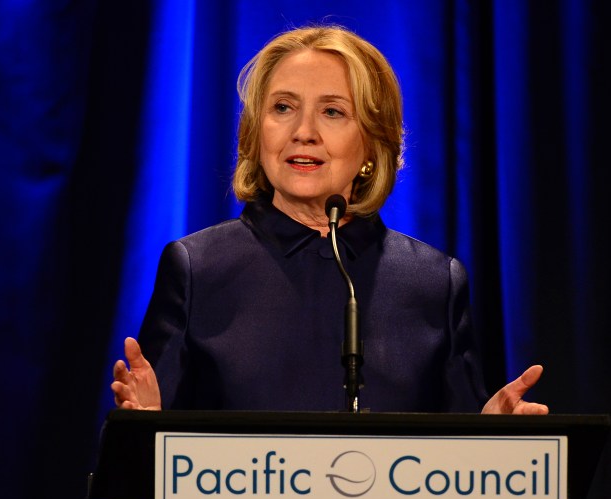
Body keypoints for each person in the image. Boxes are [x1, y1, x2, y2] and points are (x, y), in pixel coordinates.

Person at [110, 25, 548, 416]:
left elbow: (457, 467)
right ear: (255, 130)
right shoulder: (198, 267)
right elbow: (152, 468)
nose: (303, 131)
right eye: (283, 107)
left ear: (373, 141)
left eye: (332, 112)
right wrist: (145, 426)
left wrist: (491, 442)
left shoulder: (433, 281)